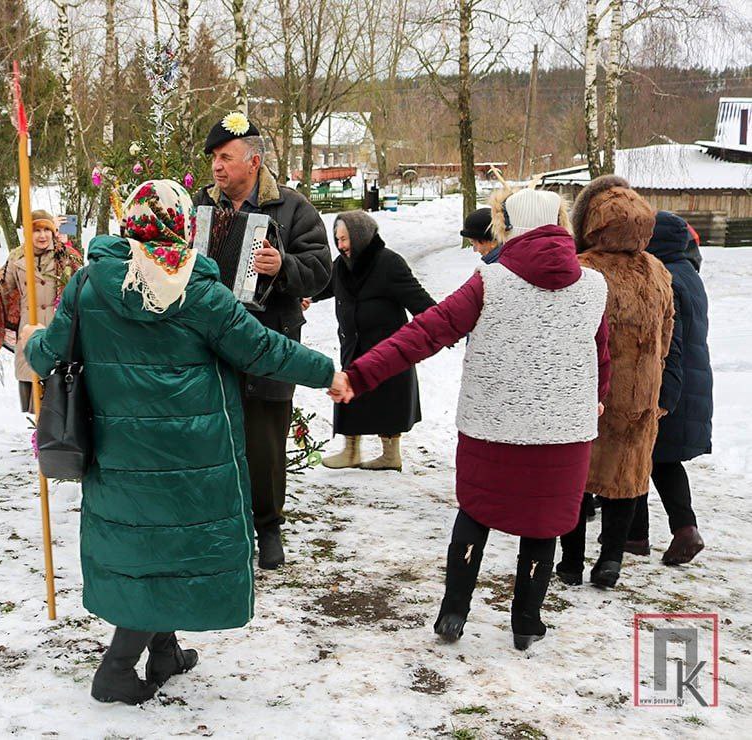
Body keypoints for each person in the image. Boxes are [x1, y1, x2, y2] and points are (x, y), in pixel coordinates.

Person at [22, 180, 346, 704]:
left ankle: (165, 652)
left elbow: (44, 357)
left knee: (148, 546)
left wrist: (37, 335)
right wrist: (326, 372)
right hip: (192, 456)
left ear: (130, 222)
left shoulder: (88, 284)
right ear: (181, 225)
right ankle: (116, 670)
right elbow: (264, 350)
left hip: (118, 453)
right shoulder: (198, 291)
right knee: (170, 547)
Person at [333, 187, 610, 651]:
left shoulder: (490, 281)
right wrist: (597, 398)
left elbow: (425, 332)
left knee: (476, 514)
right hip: (564, 433)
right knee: (543, 526)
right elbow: (601, 355)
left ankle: (453, 613)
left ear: (511, 226)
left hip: (492, 427)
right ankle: (526, 622)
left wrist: (361, 374)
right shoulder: (594, 286)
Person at [193, 111, 333, 569]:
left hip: (269, 339)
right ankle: (222, 527)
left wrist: (283, 267)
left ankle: (269, 528)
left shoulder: (292, 207)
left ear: (252, 162)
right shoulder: (200, 206)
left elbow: (321, 271)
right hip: (209, 345)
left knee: (265, 441)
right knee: (213, 437)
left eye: (225, 157)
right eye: (213, 157)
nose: (216, 166)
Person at [558, 175, 674, 589]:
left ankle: (570, 562)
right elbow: (668, 328)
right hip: (640, 394)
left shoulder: (582, 269)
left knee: (575, 478)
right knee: (626, 478)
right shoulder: (657, 270)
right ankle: (610, 562)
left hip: (589, 391)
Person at [314, 210, 435, 470]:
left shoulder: (389, 263)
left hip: (388, 349)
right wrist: (305, 297)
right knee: (348, 394)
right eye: (338, 239)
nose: (341, 245)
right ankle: (351, 451)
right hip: (352, 344)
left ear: (360, 235)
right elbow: (324, 287)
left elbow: (421, 302)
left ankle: (391, 455)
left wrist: (439, 328)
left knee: (388, 398)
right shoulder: (341, 266)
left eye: (345, 239)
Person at [626, 211, 710, 565]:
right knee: (662, 459)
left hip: (667, 382)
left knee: (640, 455)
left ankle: (637, 536)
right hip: (690, 381)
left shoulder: (665, 277)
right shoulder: (689, 273)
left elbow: (667, 339)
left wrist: (660, 391)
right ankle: (682, 530)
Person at [0, 210, 83, 411]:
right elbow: (0, 289)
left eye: (47, 229)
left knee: (61, 390)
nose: (42, 235)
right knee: (34, 392)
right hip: (29, 332)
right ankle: (37, 437)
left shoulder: (66, 256)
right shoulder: (17, 258)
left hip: (59, 331)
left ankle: (59, 439)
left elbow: (82, 283)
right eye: (36, 230)